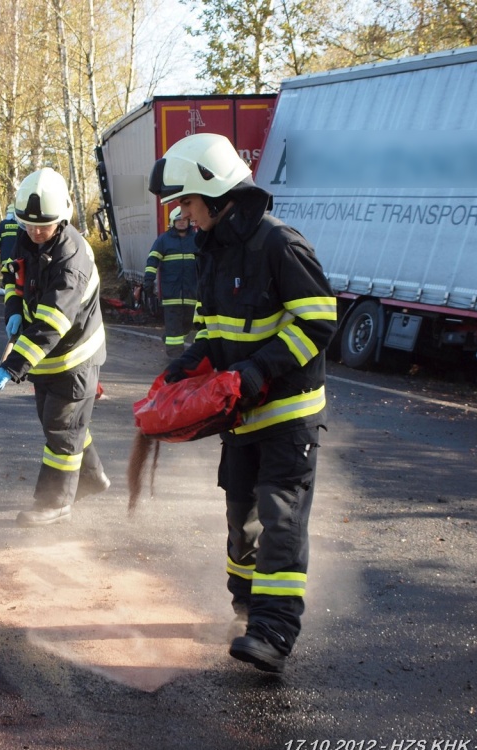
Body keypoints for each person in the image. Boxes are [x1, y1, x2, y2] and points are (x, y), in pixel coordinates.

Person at [148, 133, 337, 675]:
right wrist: (192, 360)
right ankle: (247, 609)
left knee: (281, 519)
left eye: (186, 202)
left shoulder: (279, 245)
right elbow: (214, 324)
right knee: (241, 519)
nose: (183, 214)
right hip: (242, 415)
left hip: (288, 415)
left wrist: (258, 370)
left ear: (214, 191)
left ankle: (274, 631)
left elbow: (318, 320)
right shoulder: (215, 248)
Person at [0, 168, 110, 526]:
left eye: (44, 226)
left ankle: (53, 504)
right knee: (58, 424)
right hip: (46, 360)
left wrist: (12, 367)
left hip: (74, 358)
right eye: (28, 225)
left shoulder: (73, 262)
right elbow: (13, 277)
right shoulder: (28, 238)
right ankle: (92, 477)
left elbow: (53, 323)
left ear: (63, 218)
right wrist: (12, 310)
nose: (36, 232)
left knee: (62, 429)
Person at [144, 206, 199, 358]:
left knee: (188, 325)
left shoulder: (197, 239)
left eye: (184, 220)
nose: (181, 223)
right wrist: (148, 280)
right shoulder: (163, 240)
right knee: (175, 328)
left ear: (189, 222)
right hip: (171, 294)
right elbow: (152, 260)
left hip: (191, 293)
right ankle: (175, 359)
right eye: (178, 220)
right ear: (172, 222)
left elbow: (207, 261)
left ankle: (169, 337)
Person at [0, 205, 19, 289]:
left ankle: (6, 290)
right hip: (18, 257)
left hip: (5, 256)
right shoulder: (20, 225)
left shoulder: (2, 224)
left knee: (7, 276)